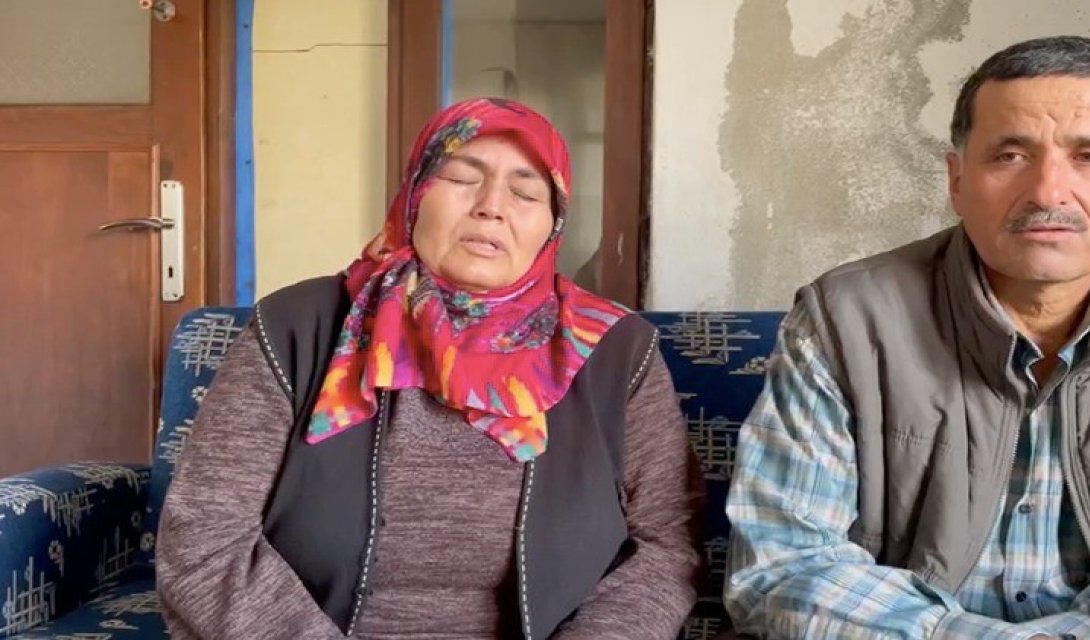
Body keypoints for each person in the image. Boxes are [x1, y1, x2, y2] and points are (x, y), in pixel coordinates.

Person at [724, 35, 1090, 638]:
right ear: (957, 180)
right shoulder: (845, 319)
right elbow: (785, 568)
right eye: (1010, 155)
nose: (1047, 192)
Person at [157, 98, 704, 640]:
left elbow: (666, 546)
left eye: (525, 193)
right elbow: (205, 533)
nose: (491, 207)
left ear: (552, 224)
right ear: (415, 193)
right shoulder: (295, 328)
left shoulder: (615, 351)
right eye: (463, 178)